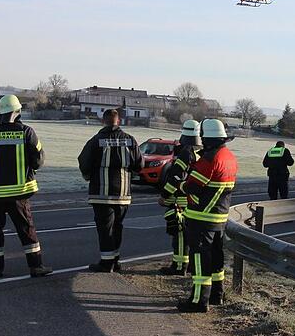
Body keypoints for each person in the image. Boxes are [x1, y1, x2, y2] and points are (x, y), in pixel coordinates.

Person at [0, 94, 51, 278]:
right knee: (26, 230)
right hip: (19, 193)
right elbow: (39, 161)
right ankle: (36, 266)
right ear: (17, 111)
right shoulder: (27, 132)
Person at [178, 119, 238, 313]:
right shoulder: (229, 157)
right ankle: (216, 295)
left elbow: (192, 186)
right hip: (220, 218)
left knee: (199, 260)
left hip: (201, 218)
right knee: (216, 258)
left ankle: (198, 301)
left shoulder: (209, 159)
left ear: (208, 139)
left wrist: (181, 185)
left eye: (203, 138)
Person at [78, 109, 143, 273]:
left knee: (105, 229)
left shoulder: (96, 140)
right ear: (118, 121)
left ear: (103, 121)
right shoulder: (130, 140)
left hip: (101, 194)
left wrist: (88, 176)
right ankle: (115, 260)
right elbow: (139, 165)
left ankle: (106, 263)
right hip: (122, 195)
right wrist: (129, 174)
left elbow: (84, 162)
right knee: (117, 227)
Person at [158, 120, 202, 275]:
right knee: (184, 234)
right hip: (191, 200)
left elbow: (176, 177)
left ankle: (179, 267)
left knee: (180, 235)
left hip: (180, 201)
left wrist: (164, 195)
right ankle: (185, 265)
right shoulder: (197, 153)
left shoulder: (185, 153)